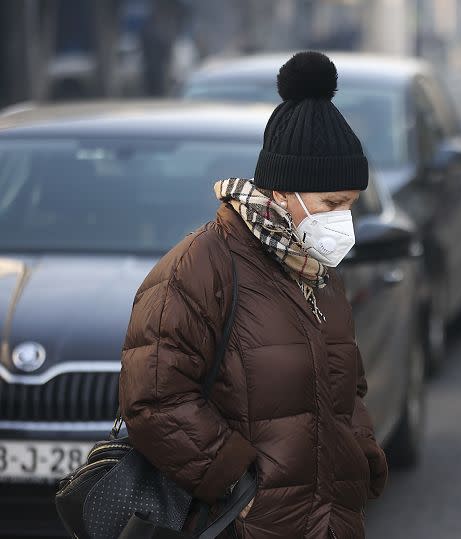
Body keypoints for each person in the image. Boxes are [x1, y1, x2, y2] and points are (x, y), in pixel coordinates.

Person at [119, 51, 388, 538]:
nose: (343, 221)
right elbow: (154, 399)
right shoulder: (201, 267)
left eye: (350, 205)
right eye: (332, 204)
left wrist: (360, 453)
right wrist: (234, 484)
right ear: (283, 193)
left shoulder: (318, 272)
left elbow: (348, 388)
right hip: (243, 526)